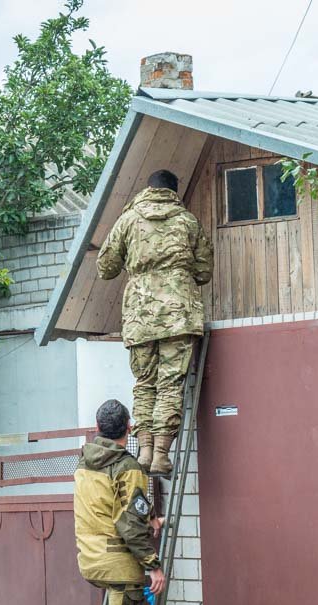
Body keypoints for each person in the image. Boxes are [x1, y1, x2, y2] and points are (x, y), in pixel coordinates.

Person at [98, 169, 213, 475]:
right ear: (174, 191)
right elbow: (204, 271)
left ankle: (145, 451)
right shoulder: (188, 221)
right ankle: (162, 453)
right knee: (170, 384)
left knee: (144, 384)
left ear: (147, 189)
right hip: (179, 314)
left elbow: (105, 267)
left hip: (140, 316)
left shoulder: (128, 220)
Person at [74, 400, 166, 605]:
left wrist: (148, 514)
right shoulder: (128, 466)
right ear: (129, 428)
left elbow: (114, 506)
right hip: (119, 562)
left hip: (91, 558)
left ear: (97, 428)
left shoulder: (84, 462)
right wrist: (153, 565)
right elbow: (129, 524)